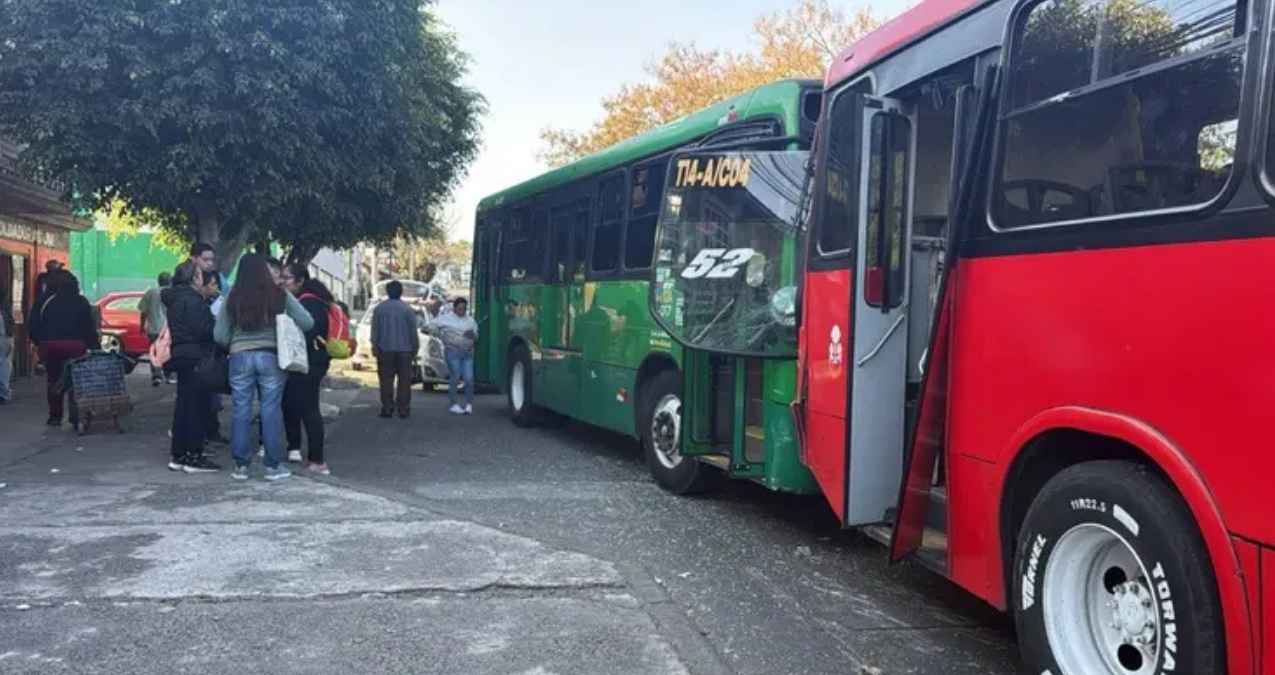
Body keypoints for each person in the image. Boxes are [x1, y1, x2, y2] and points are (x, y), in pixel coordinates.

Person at [214, 254, 313, 481]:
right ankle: (273, 466)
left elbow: (219, 335)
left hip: (239, 358)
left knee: (240, 409)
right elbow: (307, 321)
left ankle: (241, 466)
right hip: (271, 357)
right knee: (270, 409)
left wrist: (236, 343)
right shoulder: (279, 293)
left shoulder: (232, 295)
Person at [163, 262, 220, 473]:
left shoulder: (176, 299)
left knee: (184, 407)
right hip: (196, 357)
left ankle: (178, 455)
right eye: (199, 275)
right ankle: (193, 456)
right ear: (194, 279)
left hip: (182, 355)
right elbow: (205, 331)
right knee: (196, 408)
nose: (201, 278)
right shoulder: (193, 301)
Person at [28, 270, 97, 426]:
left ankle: (55, 416)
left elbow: (34, 324)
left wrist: (39, 342)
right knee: (76, 381)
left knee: (53, 379)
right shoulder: (81, 301)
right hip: (76, 347)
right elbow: (89, 327)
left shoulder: (44, 300)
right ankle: (75, 416)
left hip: (51, 347)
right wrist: (93, 345)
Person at [281, 263, 332, 474]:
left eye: (287, 278)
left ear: (301, 280)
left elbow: (309, 330)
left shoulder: (308, 303)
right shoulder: (317, 300)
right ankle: (295, 449)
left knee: (309, 409)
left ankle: (317, 460)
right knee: (294, 403)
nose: (283, 281)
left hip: (308, 362)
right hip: (313, 361)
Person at [189, 243, 228, 444]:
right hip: (196, 351)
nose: (209, 263)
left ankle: (211, 431)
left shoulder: (217, 280)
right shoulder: (188, 294)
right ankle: (198, 438)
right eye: (206, 259)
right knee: (198, 396)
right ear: (194, 259)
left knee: (212, 395)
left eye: (212, 260)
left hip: (212, 351)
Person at [370, 280, 419, 419]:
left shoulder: (379, 309)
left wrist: (374, 345)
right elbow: (412, 332)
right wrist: (415, 348)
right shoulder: (407, 309)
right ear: (401, 292)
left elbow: (375, 330)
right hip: (405, 351)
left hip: (385, 350)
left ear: (387, 292)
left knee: (386, 380)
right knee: (404, 381)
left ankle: (387, 408)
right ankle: (403, 409)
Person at [431, 297, 478, 415]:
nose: (462, 311)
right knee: (455, 376)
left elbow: (477, 335)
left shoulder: (470, 321)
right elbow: (431, 326)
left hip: (467, 352)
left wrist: (473, 335)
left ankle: (469, 404)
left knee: (469, 379)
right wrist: (441, 335)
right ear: (455, 308)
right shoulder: (445, 319)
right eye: (460, 308)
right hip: (453, 351)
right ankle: (453, 404)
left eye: (464, 309)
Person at [138, 271, 171, 387]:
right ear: (170, 281)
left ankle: (156, 376)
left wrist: (142, 326)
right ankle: (168, 374)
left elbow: (143, 312)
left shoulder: (150, 293)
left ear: (158, 281)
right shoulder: (172, 293)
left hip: (153, 329)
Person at [0, 281, 14, 404]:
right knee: (4, 365)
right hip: (4, 337)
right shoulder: (5, 306)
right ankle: (3, 393)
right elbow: (10, 320)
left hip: (5, 336)